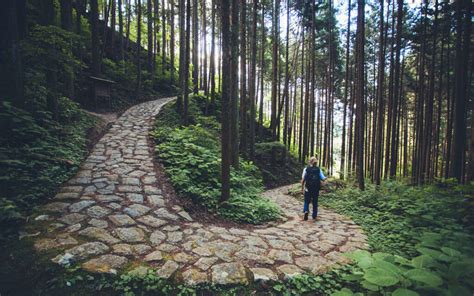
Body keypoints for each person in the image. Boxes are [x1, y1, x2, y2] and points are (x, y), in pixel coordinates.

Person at [301, 156, 326, 221]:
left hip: (308, 187)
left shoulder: (306, 169)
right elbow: (323, 178)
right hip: (316, 188)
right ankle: (314, 216)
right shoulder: (318, 169)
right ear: (316, 163)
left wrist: (302, 188)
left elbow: (303, 179)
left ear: (310, 162)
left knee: (306, 200)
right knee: (315, 202)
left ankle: (306, 210)